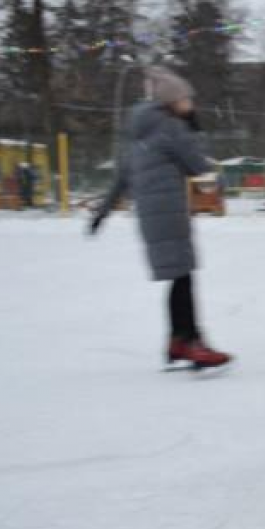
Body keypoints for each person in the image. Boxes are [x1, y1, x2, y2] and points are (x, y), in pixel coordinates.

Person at [88, 65, 231, 370]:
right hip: (170, 216)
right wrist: (220, 184)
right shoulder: (171, 127)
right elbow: (198, 166)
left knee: (179, 276)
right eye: (186, 100)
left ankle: (177, 341)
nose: (190, 104)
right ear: (172, 102)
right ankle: (192, 341)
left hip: (151, 219)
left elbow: (119, 181)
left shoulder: (138, 135)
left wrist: (100, 214)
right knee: (184, 277)